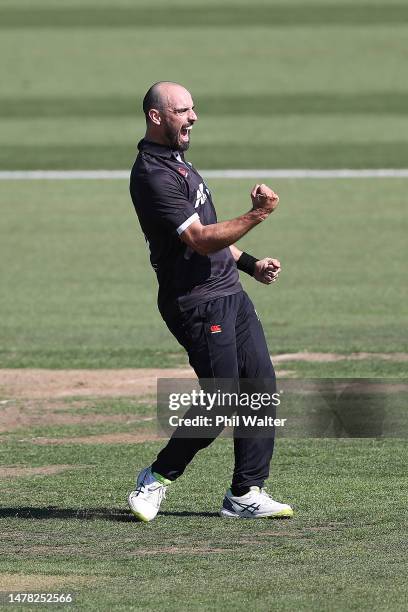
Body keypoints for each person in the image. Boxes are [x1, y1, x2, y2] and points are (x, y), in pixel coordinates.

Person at [128, 81, 293, 521]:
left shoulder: (180, 163)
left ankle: (246, 493)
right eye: (182, 110)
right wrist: (257, 215)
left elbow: (214, 236)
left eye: (193, 108)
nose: (194, 116)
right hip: (197, 302)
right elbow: (201, 240)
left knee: (260, 390)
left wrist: (251, 264)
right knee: (222, 399)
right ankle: (157, 477)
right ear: (156, 117)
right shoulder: (152, 174)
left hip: (230, 295)